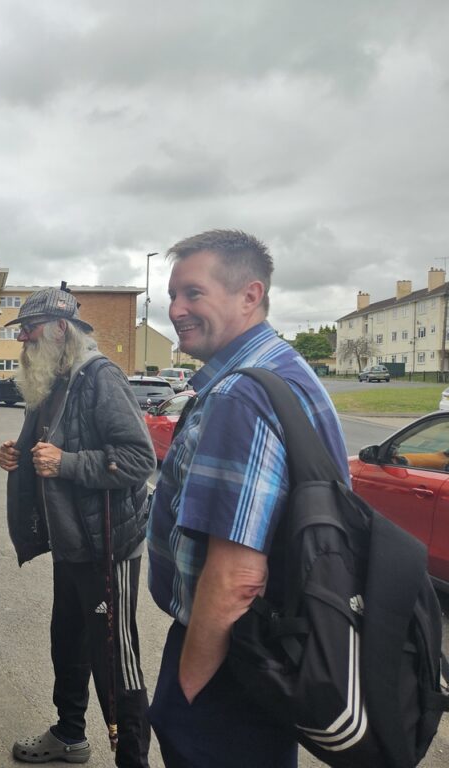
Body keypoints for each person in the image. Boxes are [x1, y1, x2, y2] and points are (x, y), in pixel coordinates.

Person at [146, 230, 348, 767]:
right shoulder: (282, 373)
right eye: (172, 296)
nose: (175, 309)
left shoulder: (244, 395)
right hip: (265, 654)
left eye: (193, 293)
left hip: (231, 668)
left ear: (250, 295)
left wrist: (187, 693)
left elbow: (237, 578)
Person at [0, 285, 156, 768]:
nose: (23, 339)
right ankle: (70, 735)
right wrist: (17, 458)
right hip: (72, 543)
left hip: (107, 545)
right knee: (67, 641)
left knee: (116, 658)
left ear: (62, 329)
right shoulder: (53, 382)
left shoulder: (100, 377)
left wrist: (66, 463)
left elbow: (138, 459)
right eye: (21, 332)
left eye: (31, 330)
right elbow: (43, 450)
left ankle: (133, 759)